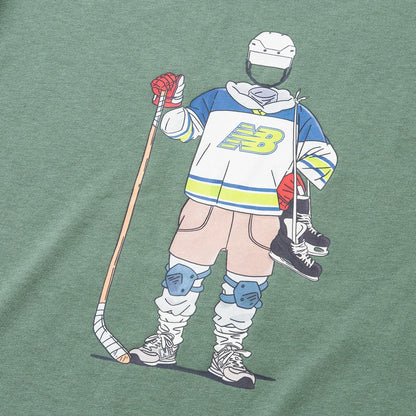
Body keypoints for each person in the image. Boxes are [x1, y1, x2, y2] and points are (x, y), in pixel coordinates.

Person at [130, 32, 337, 389]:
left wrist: (295, 176)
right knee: (181, 277)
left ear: (286, 71)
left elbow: (323, 156)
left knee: (245, 288)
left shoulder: (296, 114)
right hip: (206, 206)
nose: (267, 75)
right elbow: (181, 130)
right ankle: (165, 340)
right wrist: (172, 102)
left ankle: (227, 352)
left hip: (261, 215)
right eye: (263, 67)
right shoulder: (218, 99)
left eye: (274, 68)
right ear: (249, 64)